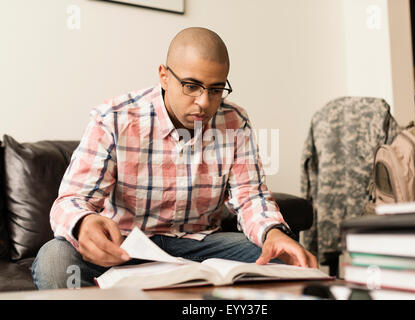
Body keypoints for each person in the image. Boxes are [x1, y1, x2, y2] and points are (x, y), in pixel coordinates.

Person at [32, 27, 318, 289]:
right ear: (164, 76)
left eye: (216, 89)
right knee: (55, 257)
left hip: (201, 246)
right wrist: (84, 223)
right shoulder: (114, 119)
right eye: (191, 86)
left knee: (284, 259)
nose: (204, 103)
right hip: (125, 246)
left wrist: (273, 233)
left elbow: (250, 197)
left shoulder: (234, 121)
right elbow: (72, 200)